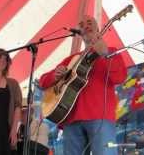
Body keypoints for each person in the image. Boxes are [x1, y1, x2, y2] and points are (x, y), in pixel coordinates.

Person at [39, 15, 127, 155]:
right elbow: (42, 81)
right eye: (81, 24)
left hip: (100, 116)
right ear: (79, 32)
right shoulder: (72, 59)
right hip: (70, 118)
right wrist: (55, 75)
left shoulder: (110, 51)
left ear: (98, 28)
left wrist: (105, 54)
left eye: (89, 22)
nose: (85, 25)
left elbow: (120, 77)